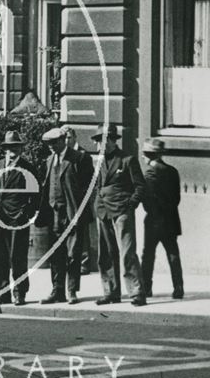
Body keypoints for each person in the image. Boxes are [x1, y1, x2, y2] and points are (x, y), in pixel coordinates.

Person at [92, 124, 147, 307]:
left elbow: (140, 186)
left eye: (107, 139)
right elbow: (98, 185)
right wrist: (98, 204)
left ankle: (136, 292)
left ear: (114, 140)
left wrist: (130, 205)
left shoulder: (127, 160)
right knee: (106, 254)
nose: (103, 143)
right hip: (103, 211)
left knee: (127, 253)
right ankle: (110, 292)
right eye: (100, 140)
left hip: (122, 211)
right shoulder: (98, 161)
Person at [37, 128, 94, 305]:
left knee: (73, 253)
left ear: (64, 140)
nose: (51, 147)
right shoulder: (49, 160)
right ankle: (57, 290)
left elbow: (89, 188)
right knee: (56, 254)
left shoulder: (80, 158)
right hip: (54, 213)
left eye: (54, 143)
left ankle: (72, 290)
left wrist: (80, 212)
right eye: (48, 144)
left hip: (73, 213)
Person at [0, 131, 39, 308]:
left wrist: (26, 213)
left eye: (15, 147)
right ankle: (2, 293)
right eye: (8, 147)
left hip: (17, 219)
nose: (12, 151)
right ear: (4, 149)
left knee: (17, 257)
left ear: (21, 149)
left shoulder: (28, 168)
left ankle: (19, 293)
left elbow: (37, 194)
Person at [140, 138, 184, 299]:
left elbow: (148, 199)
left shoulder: (150, 173)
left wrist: (152, 212)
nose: (143, 157)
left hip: (154, 221)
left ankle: (146, 287)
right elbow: (176, 198)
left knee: (148, 255)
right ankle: (178, 287)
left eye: (144, 154)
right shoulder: (172, 171)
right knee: (173, 253)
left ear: (149, 155)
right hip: (171, 219)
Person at [63, 126, 94, 275]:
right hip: (68, 200)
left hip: (80, 200)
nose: (66, 140)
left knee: (82, 234)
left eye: (69, 137)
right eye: (64, 138)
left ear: (74, 137)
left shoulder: (82, 155)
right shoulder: (63, 155)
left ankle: (84, 263)